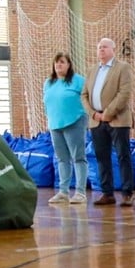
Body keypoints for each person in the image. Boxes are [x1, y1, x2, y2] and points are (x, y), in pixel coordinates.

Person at [81, 38, 135, 207]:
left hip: (117, 120)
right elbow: (84, 95)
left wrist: (108, 113)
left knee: (123, 156)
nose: (101, 50)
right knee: (101, 158)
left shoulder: (123, 67)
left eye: (104, 47)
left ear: (113, 49)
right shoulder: (92, 70)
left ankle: (127, 193)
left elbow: (124, 92)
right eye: (99, 48)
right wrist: (93, 113)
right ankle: (107, 193)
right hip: (96, 121)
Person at [43, 52, 88, 204]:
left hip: (75, 122)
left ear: (69, 64)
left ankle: (80, 192)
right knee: (62, 159)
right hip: (55, 124)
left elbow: (87, 99)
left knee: (78, 157)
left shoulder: (78, 81)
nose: (58, 65)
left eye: (62, 62)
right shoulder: (49, 83)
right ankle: (63, 192)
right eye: (56, 62)